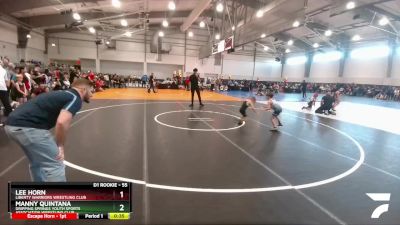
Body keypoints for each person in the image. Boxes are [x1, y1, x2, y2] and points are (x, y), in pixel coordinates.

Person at [4, 79, 93, 182]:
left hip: (11, 125)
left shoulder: (62, 93)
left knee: (37, 162)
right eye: (91, 91)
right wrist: (60, 146)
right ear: (83, 90)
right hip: (29, 127)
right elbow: (61, 122)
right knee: (55, 164)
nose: (92, 94)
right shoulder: (75, 98)